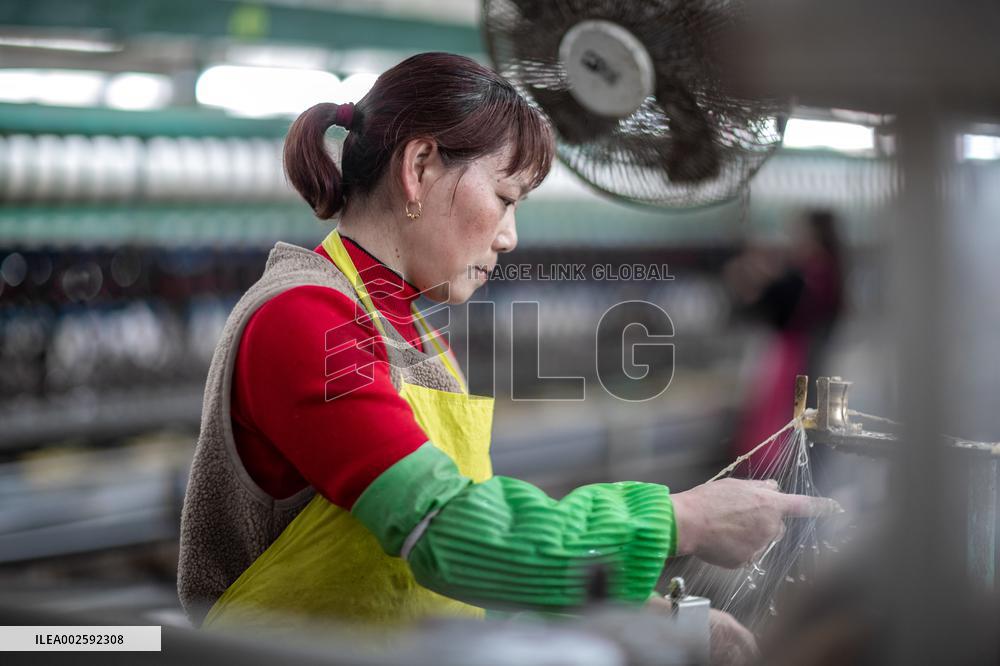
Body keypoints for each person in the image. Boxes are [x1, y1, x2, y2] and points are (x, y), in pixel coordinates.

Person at [177, 52, 838, 660]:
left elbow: (461, 571)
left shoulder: (415, 331)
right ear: (419, 168)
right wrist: (680, 520)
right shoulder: (306, 318)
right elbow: (451, 534)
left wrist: (660, 617)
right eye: (504, 199)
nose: (510, 237)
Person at [726, 210, 845, 473]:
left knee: (780, 408)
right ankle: (783, 461)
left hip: (793, 351)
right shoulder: (825, 271)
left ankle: (772, 461)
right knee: (795, 410)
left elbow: (768, 305)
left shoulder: (806, 274)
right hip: (805, 351)